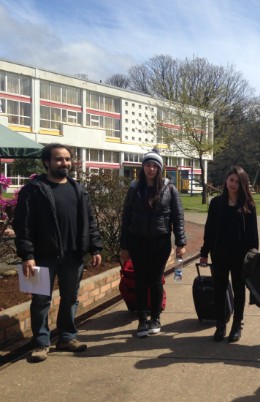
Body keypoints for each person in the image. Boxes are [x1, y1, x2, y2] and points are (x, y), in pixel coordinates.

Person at [13, 143, 103, 363]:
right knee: (40, 300)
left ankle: (67, 337)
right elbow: (22, 225)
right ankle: (41, 343)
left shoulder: (78, 189)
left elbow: (90, 221)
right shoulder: (33, 190)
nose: (65, 163)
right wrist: (27, 255)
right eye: (59, 159)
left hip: (73, 255)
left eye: (67, 159)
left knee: (70, 298)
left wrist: (95, 247)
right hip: (41, 256)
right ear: (47, 162)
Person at [120, 149, 186, 338]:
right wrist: (124, 246)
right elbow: (126, 217)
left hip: (160, 241)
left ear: (160, 169)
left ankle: (155, 318)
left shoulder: (169, 188)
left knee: (156, 280)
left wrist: (180, 242)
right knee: (140, 280)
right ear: (143, 167)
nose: (151, 169)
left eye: (154, 166)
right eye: (147, 165)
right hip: (137, 241)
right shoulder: (135, 188)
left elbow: (178, 217)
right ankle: (142, 319)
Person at [199, 166, 259, 342]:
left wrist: (253, 257)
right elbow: (209, 230)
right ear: (226, 181)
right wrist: (204, 252)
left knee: (239, 290)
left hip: (240, 256)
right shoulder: (216, 203)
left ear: (243, 184)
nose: (233, 184)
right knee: (219, 288)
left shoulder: (248, 205)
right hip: (219, 254)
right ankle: (220, 324)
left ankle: (237, 324)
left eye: (237, 182)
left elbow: (253, 235)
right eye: (231, 180)